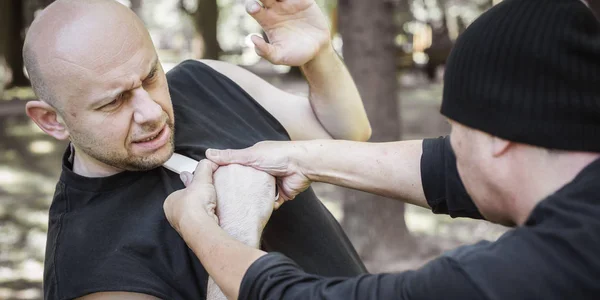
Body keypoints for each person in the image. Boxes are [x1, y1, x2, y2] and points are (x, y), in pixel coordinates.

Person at [164, 0, 600, 299]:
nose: (451, 146)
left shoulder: (550, 267)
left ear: (505, 135)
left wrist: (200, 227)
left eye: (456, 129)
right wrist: (299, 157)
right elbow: (444, 170)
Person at [23, 0, 372, 299]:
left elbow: (345, 135)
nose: (152, 112)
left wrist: (319, 56)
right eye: (114, 102)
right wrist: (237, 224)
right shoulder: (89, 268)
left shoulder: (204, 80)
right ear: (52, 120)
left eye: (150, 77)